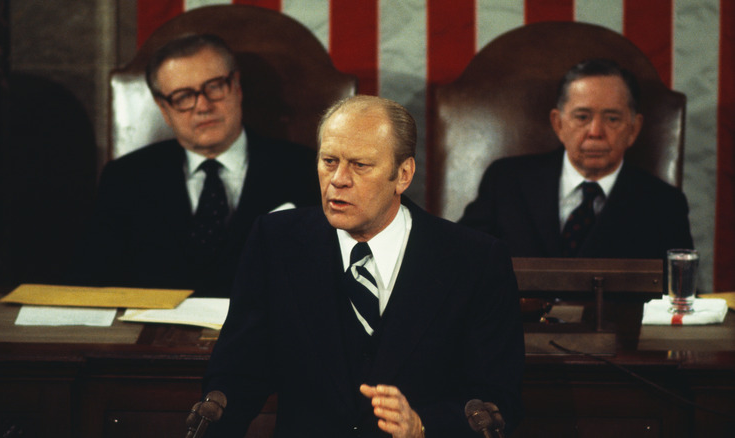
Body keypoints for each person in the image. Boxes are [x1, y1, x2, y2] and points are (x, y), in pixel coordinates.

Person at [202, 95, 524, 437]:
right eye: (329, 161)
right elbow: (238, 373)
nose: (338, 180)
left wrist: (422, 426)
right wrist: (213, 411)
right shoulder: (275, 242)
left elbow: (498, 400)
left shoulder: (475, 259)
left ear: (403, 175)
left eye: (360, 165)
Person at [66, 34, 319, 296]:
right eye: (183, 96)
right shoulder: (124, 179)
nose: (203, 106)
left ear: (236, 87)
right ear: (164, 109)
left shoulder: (305, 170)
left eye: (214, 86)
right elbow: (91, 284)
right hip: (154, 334)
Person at [458, 58, 693, 259]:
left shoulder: (664, 205)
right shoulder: (506, 182)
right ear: (558, 123)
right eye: (582, 117)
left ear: (633, 129)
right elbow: (460, 259)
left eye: (612, 119)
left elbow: (681, 295)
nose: (596, 132)